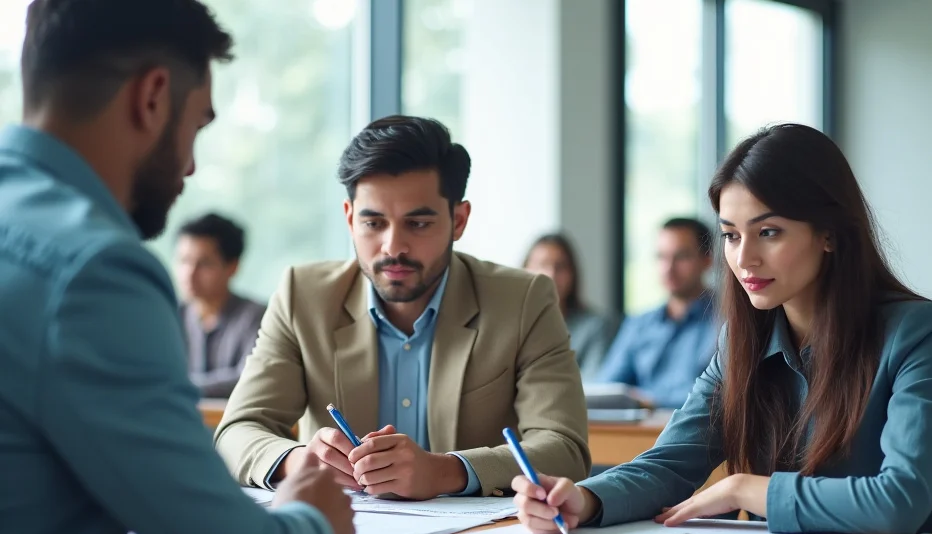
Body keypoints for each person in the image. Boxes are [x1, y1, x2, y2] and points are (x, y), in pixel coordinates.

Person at [0, 1, 354, 534]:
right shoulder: (95, 273)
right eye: (198, 125)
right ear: (152, 97)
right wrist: (312, 517)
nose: (189, 166)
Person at [510, 124, 932, 534]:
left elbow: (899, 503)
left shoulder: (920, 331)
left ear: (830, 233)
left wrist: (746, 489)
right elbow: (670, 463)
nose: (745, 258)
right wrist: (585, 500)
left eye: (768, 232)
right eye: (731, 235)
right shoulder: (743, 338)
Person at [214, 115, 590, 500]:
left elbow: (565, 448)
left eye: (419, 224)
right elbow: (236, 432)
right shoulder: (302, 296)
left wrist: (447, 471)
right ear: (349, 218)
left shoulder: (524, 300)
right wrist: (299, 461)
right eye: (374, 223)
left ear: (458, 220)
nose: (393, 246)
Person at [595, 218, 717, 408]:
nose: (668, 268)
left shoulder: (726, 321)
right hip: (640, 433)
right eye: (661, 257)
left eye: (682, 256)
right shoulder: (639, 323)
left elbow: (718, 396)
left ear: (707, 260)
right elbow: (607, 387)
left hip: (699, 432)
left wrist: (649, 400)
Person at [175, 213, 266, 397]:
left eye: (204, 264)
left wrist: (179, 387)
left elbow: (250, 379)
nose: (189, 274)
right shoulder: (172, 314)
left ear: (232, 266)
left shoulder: (256, 317)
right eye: (184, 261)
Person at [522, 233, 620, 380]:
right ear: (525, 270)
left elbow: (593, 385)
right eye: (542, 265)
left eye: (560, 267)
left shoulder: (597, 326)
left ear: (572, 273)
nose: (551, 274)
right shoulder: (512, 326)